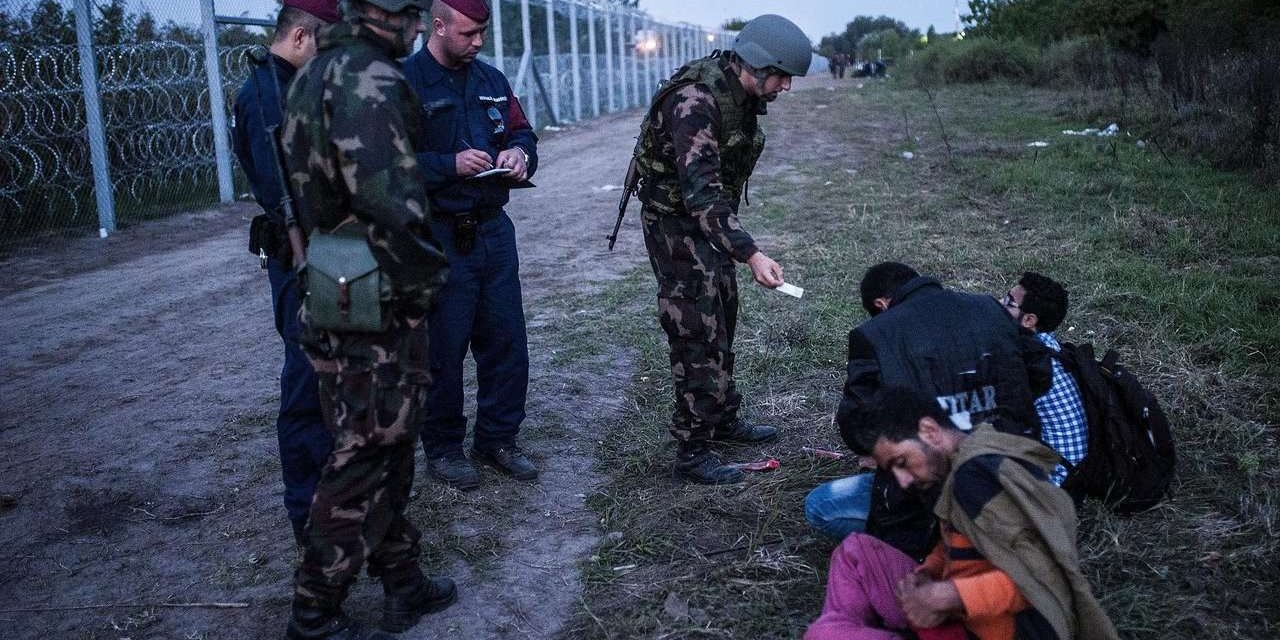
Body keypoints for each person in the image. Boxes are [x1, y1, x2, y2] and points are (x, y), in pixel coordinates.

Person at [280, 0, 454, 636]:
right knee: (365, 452)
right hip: (378, 296)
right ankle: (314, 611)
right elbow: (395, 208)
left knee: (387, 442)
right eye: (413, 18)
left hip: (334, 278)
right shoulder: (370, 79)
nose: (417, 30)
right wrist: (427, 287)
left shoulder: (312, 73)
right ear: (394, 16)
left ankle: (402, 581)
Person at [631, 14, 811, 484]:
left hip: (705, 223)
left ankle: (722, 418)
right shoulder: (696, 101)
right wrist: (751, 253)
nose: (786, 87)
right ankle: (692, 450)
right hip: (675, 223)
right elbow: (702, 197)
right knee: (697, 328)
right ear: (757, 63)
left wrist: (736, 248)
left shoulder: (740, 94)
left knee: (723, 314)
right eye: (782, 76)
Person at [805, 387, 1120, 640]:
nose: (902, 481)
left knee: (823, 635)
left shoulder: (977, 479)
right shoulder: (961, 460)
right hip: (957, 612)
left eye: (901, 463)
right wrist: (928, 571)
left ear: (929, 431)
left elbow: (1041, 576)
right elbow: (961, 540)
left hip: (995, 630)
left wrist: (946, 596)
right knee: (856, 551)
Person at [804, 262, 1051, 558]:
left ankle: (934, 549)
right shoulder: (990, 307)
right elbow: (1040, 374)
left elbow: (858, 428)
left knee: (820, 506)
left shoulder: (872, 335)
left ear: (881, 304)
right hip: (1018, 480)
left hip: (930, 499)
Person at [402, 0, 539, 490]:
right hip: (436, 233)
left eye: (483, 31)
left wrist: (519, 154)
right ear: (438, 26)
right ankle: (443, 448)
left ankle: (498, 439)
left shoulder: (491, 80)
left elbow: (523, 131)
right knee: (442, 346)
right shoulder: (404, 83)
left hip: (492, 229)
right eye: (468, 33)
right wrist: (448, 165)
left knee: (506, 340)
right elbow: (384, 166)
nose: (478, 41)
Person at [230, 0, 339, 551]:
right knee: (307, 382)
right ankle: (309, 514)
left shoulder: (296, 86)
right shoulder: (265, 95)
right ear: (300, 37)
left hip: (331, 253)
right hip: (303, 258)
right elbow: (285, 196)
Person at [1002, 272, 1086, 486]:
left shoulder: (1027, 360)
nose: (1000, 303)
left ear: (1029, 320)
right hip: (1073, 467)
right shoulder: (1051, 347)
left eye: (1009, 302)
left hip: (1051, 478)